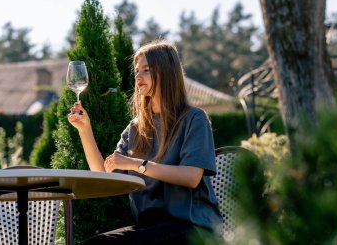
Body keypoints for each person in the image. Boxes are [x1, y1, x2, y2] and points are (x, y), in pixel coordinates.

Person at [68, 39, 223, 244]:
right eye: (137, 71)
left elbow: (191, 176)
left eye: (146, 70)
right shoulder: (136, 127)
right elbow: (104, 175)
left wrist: (135, 164)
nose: (138, 77)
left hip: (193, 228)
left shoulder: (193, 119)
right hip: (150, 227)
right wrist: (85, 130)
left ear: (167, 73)